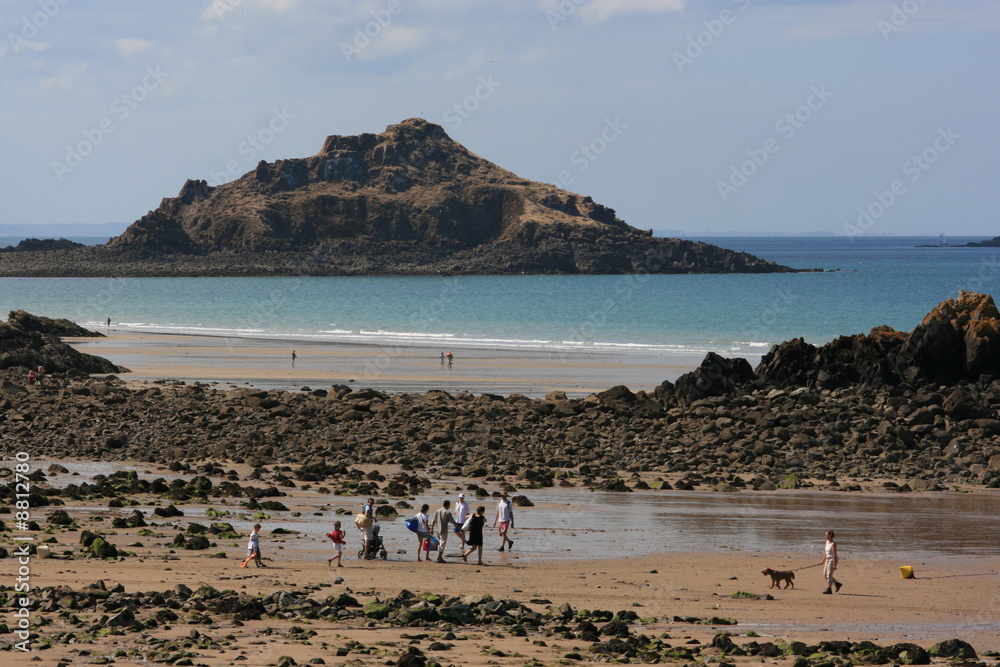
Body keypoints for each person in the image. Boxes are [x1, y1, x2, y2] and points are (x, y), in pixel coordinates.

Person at [821, 530, 842, 594]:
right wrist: (823, 560)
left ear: (831, 535)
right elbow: (825, 552)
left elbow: (834, 554)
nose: (826, 536)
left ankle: (829, 589)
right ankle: (836, 583)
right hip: (827, 559)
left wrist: (834, 564)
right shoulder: (827, 542)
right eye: (826, 535)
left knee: (829, 575)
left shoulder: (833, 543)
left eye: (827, 535)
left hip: (832, 559)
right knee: (825, 574)